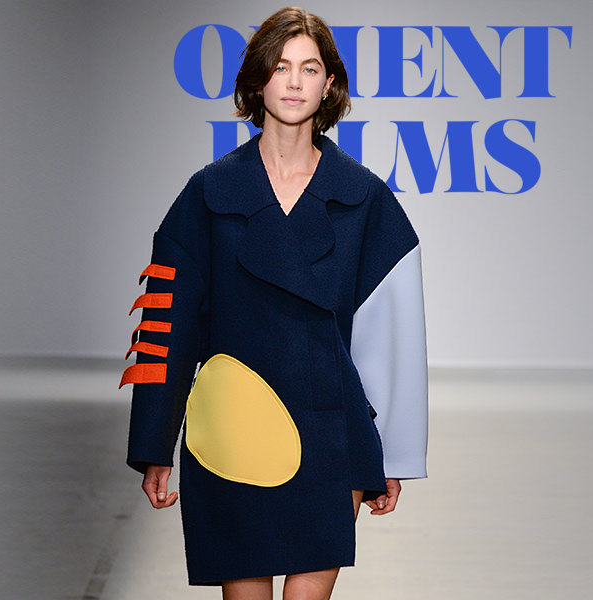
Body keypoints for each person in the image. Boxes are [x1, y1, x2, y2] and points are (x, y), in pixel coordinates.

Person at [120, 6, 428, 599]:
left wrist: (391, 452)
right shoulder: (209, 194)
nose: (293, 82)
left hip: (331, 430)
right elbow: (168, 323)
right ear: (257, 79)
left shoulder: (363, 198)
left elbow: (392, 334)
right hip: (234, 423)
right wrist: (154, 444)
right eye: (280, 66)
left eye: (309, 68)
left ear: (328, 84)